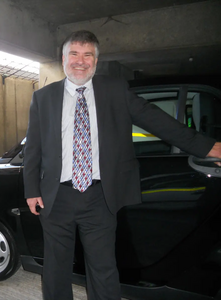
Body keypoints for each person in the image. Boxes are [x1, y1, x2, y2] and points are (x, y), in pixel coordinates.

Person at [23, 30, 221, 300]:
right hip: (56, 198)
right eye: (74, 54)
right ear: (63, 58)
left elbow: (156, 120)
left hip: (99, 197)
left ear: (96, 60)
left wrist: (207, 147)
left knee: (103, 268)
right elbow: (33, 147)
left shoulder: (114, 90)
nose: (80, 61)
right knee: (56, 268)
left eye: (87, 55)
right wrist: (31, 189)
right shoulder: (43, 97)